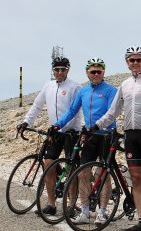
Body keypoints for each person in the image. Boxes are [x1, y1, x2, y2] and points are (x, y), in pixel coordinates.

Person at [92, 46, 141, 231]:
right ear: (127, 62)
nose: (135, 63)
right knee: (136, 179)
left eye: (138, 60)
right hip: (130, 135)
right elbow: (113, 112)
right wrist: (95, 126)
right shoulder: (124, 84)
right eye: (132, 60)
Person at [52, 57, 117, 225]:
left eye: (99, 71)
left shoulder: (111, 90)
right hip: (89, 136)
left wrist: (98, 127)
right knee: (83, 173)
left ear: (103, 72)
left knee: (103, 174)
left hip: (106, 135)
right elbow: (72, 111)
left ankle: (102, 212)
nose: (95, 74)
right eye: (92, 71)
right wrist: (57, 125)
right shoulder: (83, 91)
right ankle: (85, 211)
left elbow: (112, 114)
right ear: (87, 73)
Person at [17, 57, 82, 216]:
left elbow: (75, 111)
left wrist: (65, 127)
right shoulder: (48, 86)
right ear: (53, 70)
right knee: (48, 164)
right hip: (55, 133)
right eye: (57, 69)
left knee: (71, 168)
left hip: (70, 132)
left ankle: (71, 205)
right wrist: (26, 122)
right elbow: (37, 105)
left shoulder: (75, 87)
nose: (60, 72)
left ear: (68, 70)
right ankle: (51, 205)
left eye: (63, 69)